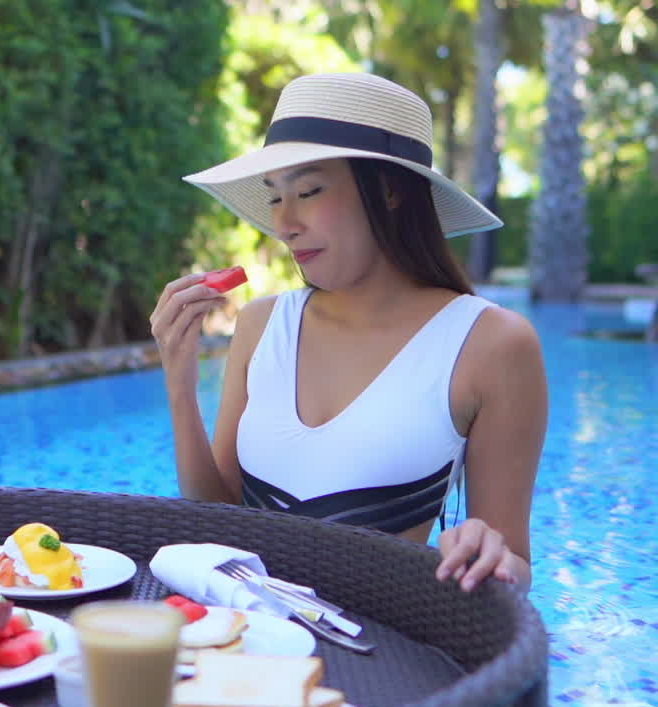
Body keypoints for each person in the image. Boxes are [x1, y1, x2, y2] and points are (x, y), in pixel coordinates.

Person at [150, 73, 546, 592]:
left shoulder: (489, 346)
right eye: (274, 197)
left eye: (309, 191)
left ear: (388, 190)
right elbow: (220, 520)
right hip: (244, 643)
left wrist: (489, 554)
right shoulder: (262, 324)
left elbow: (513, 565)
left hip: (376, 657)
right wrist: (179, 384)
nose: (284, 223)